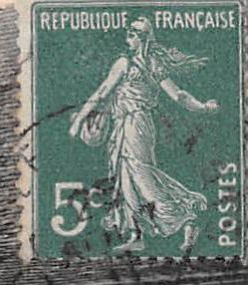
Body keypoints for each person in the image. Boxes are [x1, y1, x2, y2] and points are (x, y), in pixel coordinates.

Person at [68, 16, 218, 254]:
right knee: (125, 176)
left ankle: (185, 215)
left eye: (134, 32)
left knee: (139, 174)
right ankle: (136, 233)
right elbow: (104, 93)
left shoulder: (133, 64)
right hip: (127, 125)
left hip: (135, 123)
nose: (129, 34)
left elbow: (176, 94)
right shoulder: (140, 64)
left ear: (144, 38)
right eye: (129, 30)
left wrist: (201, 107)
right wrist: (203, 107)